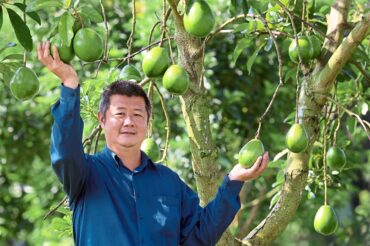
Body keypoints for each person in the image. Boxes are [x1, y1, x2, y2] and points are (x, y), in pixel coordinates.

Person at [37, 41, 269, 246]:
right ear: (102, 119)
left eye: (138, 115)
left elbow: (201, 236)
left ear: (148, 122)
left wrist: (233, 181)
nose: (129, 122)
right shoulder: (85, 175)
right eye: (120, 114)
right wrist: (69, 84)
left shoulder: (169, 182)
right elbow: (65, 152)